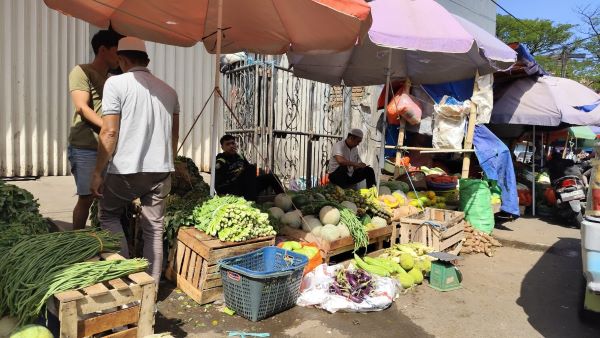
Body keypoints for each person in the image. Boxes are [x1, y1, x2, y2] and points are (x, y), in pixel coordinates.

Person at [90, 37, 179, 285]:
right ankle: (150, 286)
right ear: (146, 61)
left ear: (123, 59)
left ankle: (124, 277)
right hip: (160, 170)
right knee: (154, 227)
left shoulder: (115, 84)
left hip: (126, 169)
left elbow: (109, 132)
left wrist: (97, 171)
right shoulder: (169, 91)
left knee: (108, 215)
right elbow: (174, 137)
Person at [67, 29, 122, 230]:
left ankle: (99, 239)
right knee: (87, 197)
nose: (120, 57)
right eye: (117, 51)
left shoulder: (113, 78)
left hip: (108, 146)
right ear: (102, 50)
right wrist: (110, 128)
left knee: (107, 200)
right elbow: (82, 107)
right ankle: (77, 243)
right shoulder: (81, 71)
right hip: (85, 146)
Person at [215, 135, 284, 200]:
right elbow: (219, 184)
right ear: (222, 147)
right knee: (251, 169)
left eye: (233, 143)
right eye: (228, 144)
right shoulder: (220, 160)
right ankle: (252, 201)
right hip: (231, 189)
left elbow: (249, 172)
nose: (231, 146)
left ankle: (284, 199)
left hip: (246, 187)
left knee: (271, 177)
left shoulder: (240, 156)